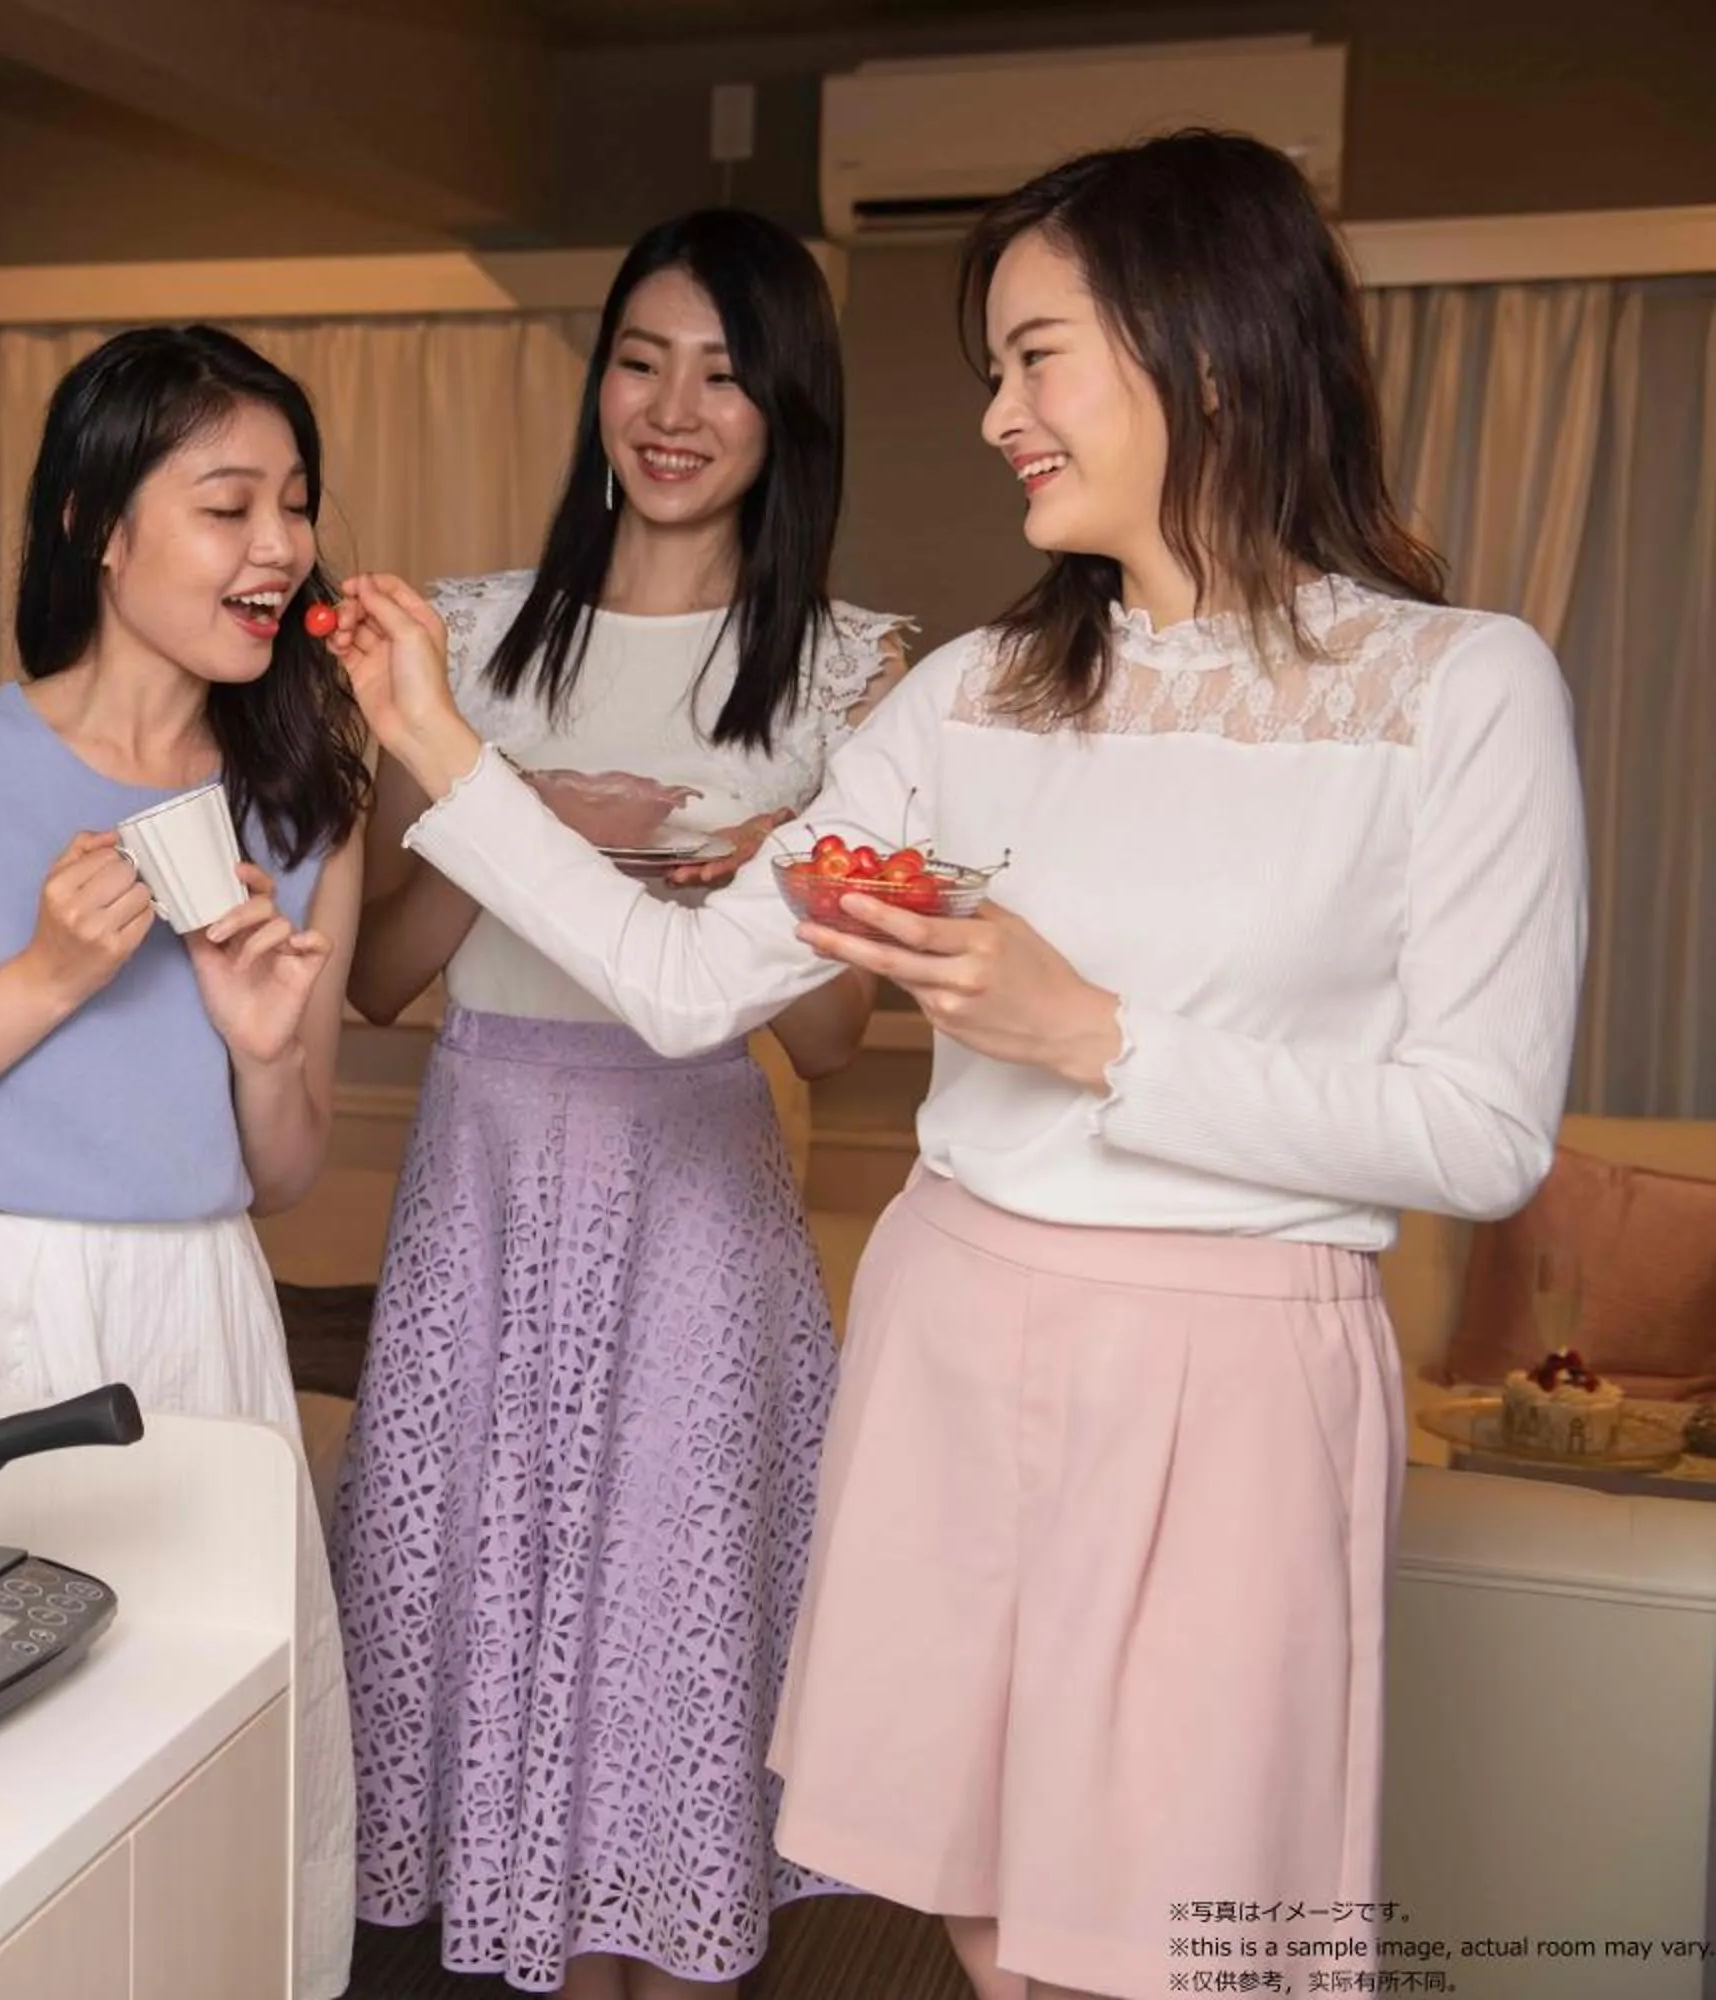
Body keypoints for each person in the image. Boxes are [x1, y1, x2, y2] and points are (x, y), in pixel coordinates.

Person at [324, 131, 1587, 2000]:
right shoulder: (969, 696)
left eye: (1033, 357)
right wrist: (446, 750)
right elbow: (683, 988)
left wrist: (1094, 1037)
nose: (997, 413)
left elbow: (1479, 1134)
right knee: (987, 1936)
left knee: (1183, 1949)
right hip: (947, 1330)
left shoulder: (1459, 688)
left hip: (1230, 1371)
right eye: (991, 366)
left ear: (1208, 351)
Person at [329, 208, 901, 2000]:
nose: (674, 408)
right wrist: (518, 830)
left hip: (696, 1205)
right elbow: (375, 976)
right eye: (641, 359)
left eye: (727, 374)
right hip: (484, 1179)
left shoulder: (857, 667)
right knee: (498, 1635)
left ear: (786, 411)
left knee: (667, 1644)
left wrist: (778, 892)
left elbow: (827, 1050)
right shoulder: (468, 640)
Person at [0, 324, 369, 1999]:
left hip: (192, 1324)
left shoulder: (307, 809)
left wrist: (255, 1051)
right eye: (229, 503)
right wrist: (42, 980)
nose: (278, 547)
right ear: (101, 524)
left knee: (196, 1777)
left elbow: (285, 1174)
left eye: (295, 506)